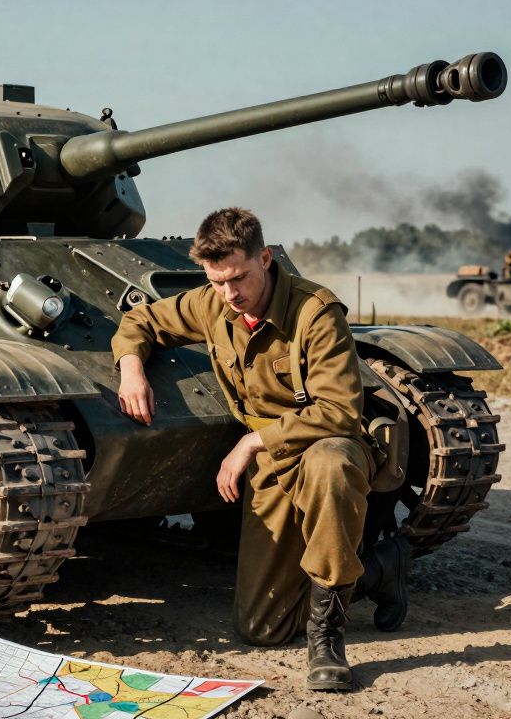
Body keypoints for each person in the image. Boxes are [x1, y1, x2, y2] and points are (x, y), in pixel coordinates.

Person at [111, 208, 409, 691]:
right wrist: (131, 367)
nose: (230, 294)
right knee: (261, 629)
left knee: (332, 466)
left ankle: (327, 636)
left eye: (239, 278)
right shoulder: (214, 303)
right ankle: (378, 569)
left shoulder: (315, 311)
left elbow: (338, 410)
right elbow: (141, 320)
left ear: (265, 259)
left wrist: (252, 441)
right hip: (271, 457)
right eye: (217, 281)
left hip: (325, 442)